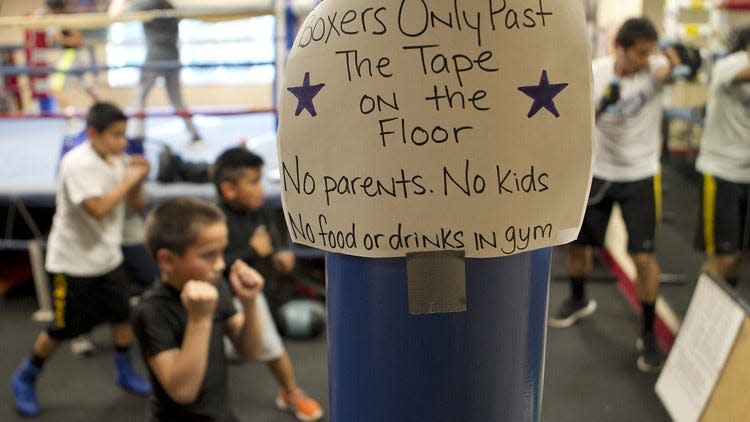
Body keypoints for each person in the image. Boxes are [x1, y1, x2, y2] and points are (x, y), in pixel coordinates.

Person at [548, 17, 682, 373]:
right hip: (601, 173)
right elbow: (574, 125)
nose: (644, 59)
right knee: (579, 245)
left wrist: (675, 62)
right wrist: (601, 107)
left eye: (648, 53)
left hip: (640, 175)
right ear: (621, 48)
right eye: (639, 52)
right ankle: (578, 299)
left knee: (643, 258)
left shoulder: (653, 71)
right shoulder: (595, 74)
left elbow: (668, 71)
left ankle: (648, 333)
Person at [10, 102, 151, 417]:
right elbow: (98, 209)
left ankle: (124, 369)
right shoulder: (76, 164)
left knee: (120, 314)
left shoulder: (118, 161)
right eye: (115, 135)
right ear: (92, 134)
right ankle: (25, 376)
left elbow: (136, 207)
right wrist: (130, 178)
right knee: (62, 329)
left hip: (108, 255)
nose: (122, 142)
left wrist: (138, 181)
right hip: (73, 262)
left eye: (123, 135)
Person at [213, 147, 324, 422]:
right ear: (228, 189)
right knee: (208, 357)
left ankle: (290, 392)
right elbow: (214, 264)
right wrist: (250, 251)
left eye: (261, 180)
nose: (261, 188)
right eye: (253, 182)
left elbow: (267, 241)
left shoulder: (259, 209)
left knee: (272, 346)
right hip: (216, 295)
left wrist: (278, 253)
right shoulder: (215, 220)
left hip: (248, 294)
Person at [134, 197, 264, 421]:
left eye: (222, 252)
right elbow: (183, 391)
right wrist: (200, 319)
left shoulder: (215, 284)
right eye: (208, 255)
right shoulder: (152, 311)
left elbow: (249, 352)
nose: (220, 264)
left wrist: (249, 303)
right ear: (167, 260)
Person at [694, 26, 750, 288]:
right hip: (722, 172)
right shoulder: (730, 64)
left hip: (747, 174)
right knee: (722, 258)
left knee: (739, 258)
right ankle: (702, 322)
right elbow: (737, 77)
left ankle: (724, 322)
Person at [108, 0, 203, 144]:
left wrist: (120, 2)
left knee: (139, 96)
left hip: (155, 58)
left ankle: (139, 136)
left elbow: (117, 15)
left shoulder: (149, 4)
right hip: (172, 57)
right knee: (176, 100)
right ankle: (195, 134)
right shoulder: (169, 6)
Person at [45, 0, 99, 112]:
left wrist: (60, 37)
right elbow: (51, 40)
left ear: (58, 9)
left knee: (56, 88)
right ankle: (102, 108)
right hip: (72, 56)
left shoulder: (67, 21)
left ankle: (71, 117)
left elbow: (78, 41)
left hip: (70, 55)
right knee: (86, 87)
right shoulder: (59, 21)